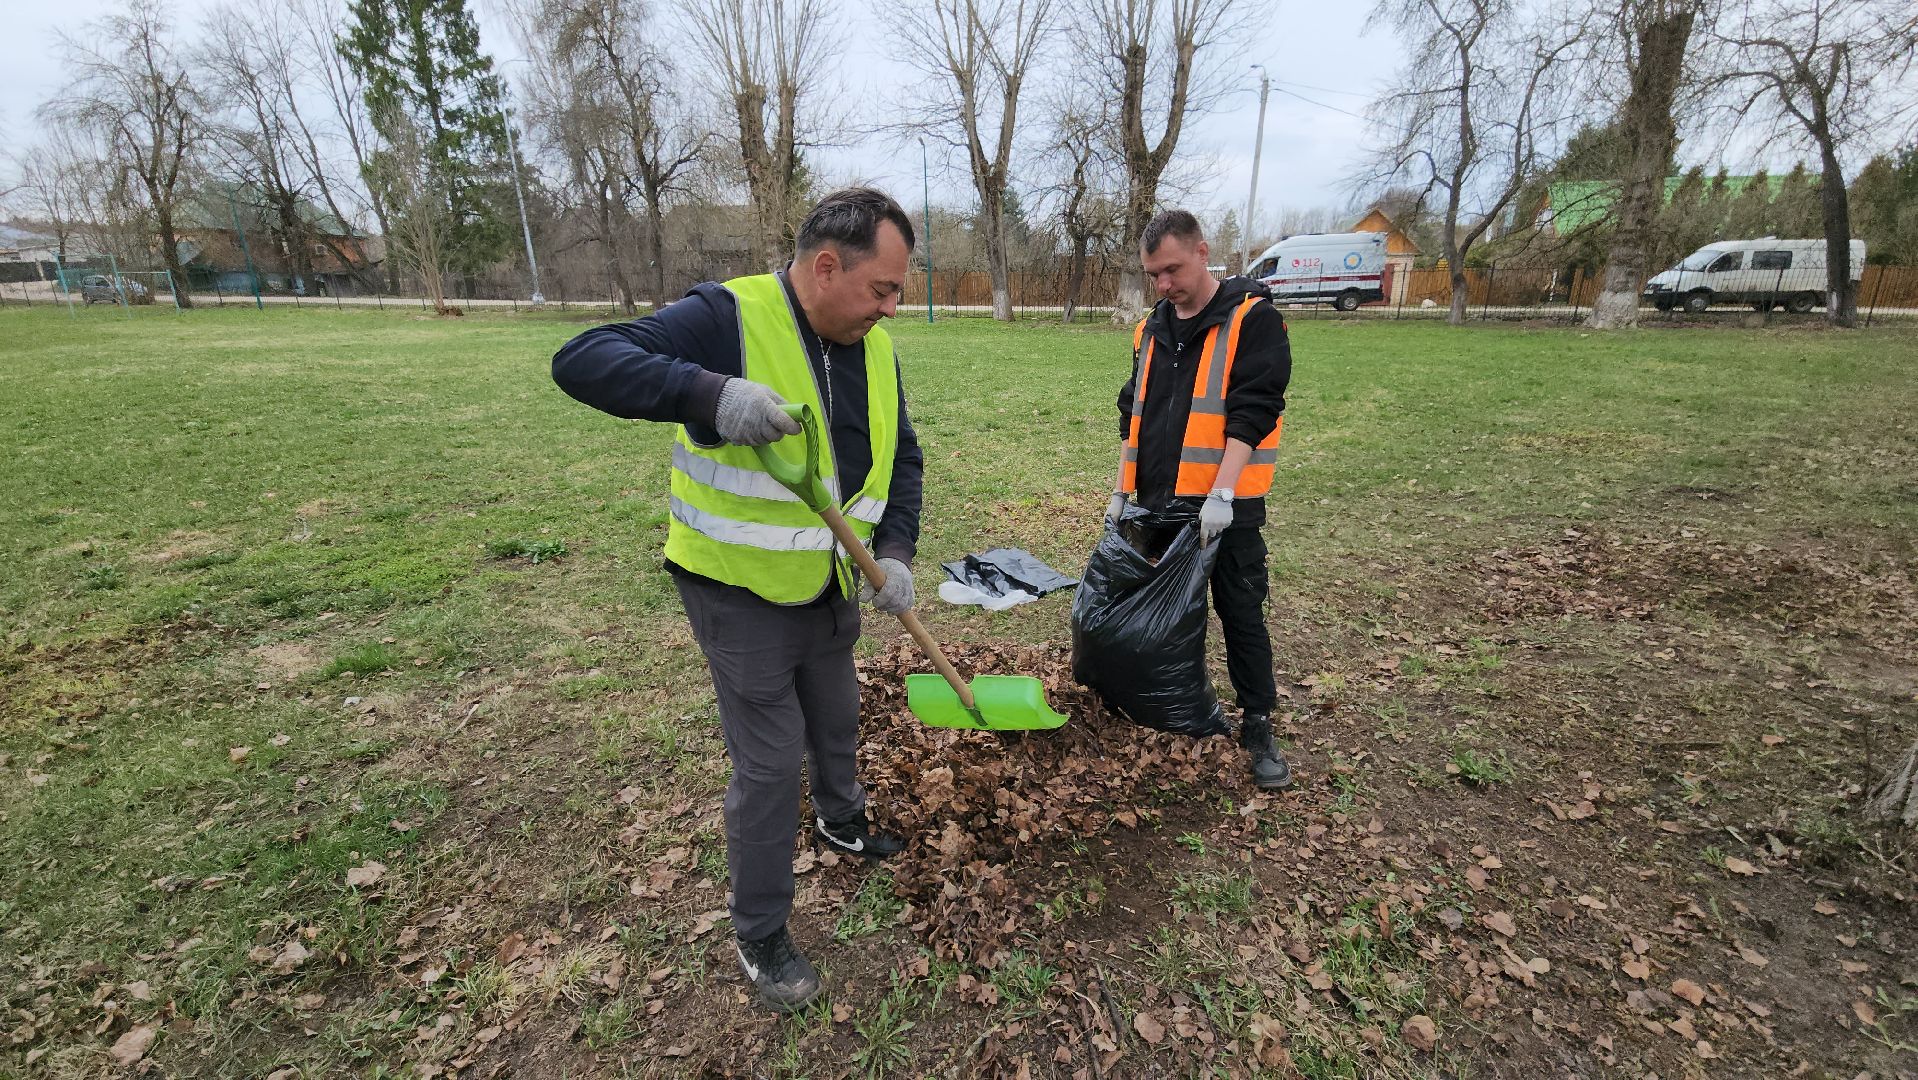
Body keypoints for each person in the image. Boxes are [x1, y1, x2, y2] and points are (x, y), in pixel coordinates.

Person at [550, 188, 925, 1013]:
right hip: (736, 586)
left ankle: (840, 821)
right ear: (825, 267)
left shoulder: (875, 347)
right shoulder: (728, 316)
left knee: (837, 712)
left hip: (831, 580)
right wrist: (710, 395)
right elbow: (582, 359)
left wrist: (895, 552)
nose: (892, 308)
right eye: (882, 289)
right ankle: (760, 931)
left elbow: (903, 458)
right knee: (771, 760)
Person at [1110, 209, 1295, 791]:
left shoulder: (1251, 319)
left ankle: (1257, 722)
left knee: (1240, 612)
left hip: (1225, 507)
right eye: (1153, 275)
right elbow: (1133, 412)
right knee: (1160, 613)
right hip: (1158, 501)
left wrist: (1222, 493)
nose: (1164, 284)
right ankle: (1164, 704)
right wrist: (1120, 490)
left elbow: (1255, 409)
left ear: (1201, 252)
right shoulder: (1151, 329)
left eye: (1172, 269)